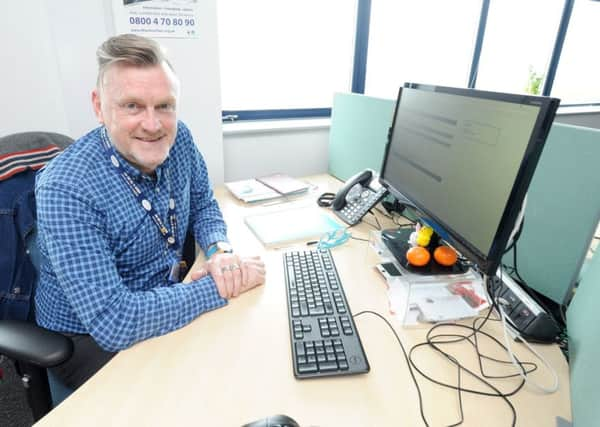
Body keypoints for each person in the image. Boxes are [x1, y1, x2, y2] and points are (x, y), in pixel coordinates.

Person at [34, 34, 266, 390]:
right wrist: (222, 287)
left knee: (242, 359)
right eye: (132, 106)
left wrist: (221, 252)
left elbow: (204, 203)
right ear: (99, 106)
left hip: (166, 290)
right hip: (88, 336)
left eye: (164, 106)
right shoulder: (65, 188)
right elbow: (115, 322)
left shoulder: (180, 138)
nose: (153, 124)